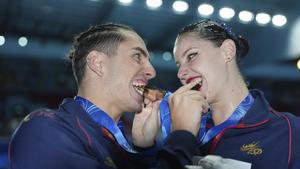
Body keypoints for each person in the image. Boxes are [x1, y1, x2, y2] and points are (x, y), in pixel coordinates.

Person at [8, 23, 201, 169]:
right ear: (98, 64)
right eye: (137, 56)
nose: (151, 71)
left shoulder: (116, 143)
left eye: (148, 60)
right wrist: (182, 135)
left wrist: (143, 149)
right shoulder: (45, 128)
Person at [163, 19, 300, 169]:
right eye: (179, 65)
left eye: (191, 56)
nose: (181, 73)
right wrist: (143, 149)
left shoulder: (290, 131)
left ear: (227, 51)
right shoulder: (182, 132)